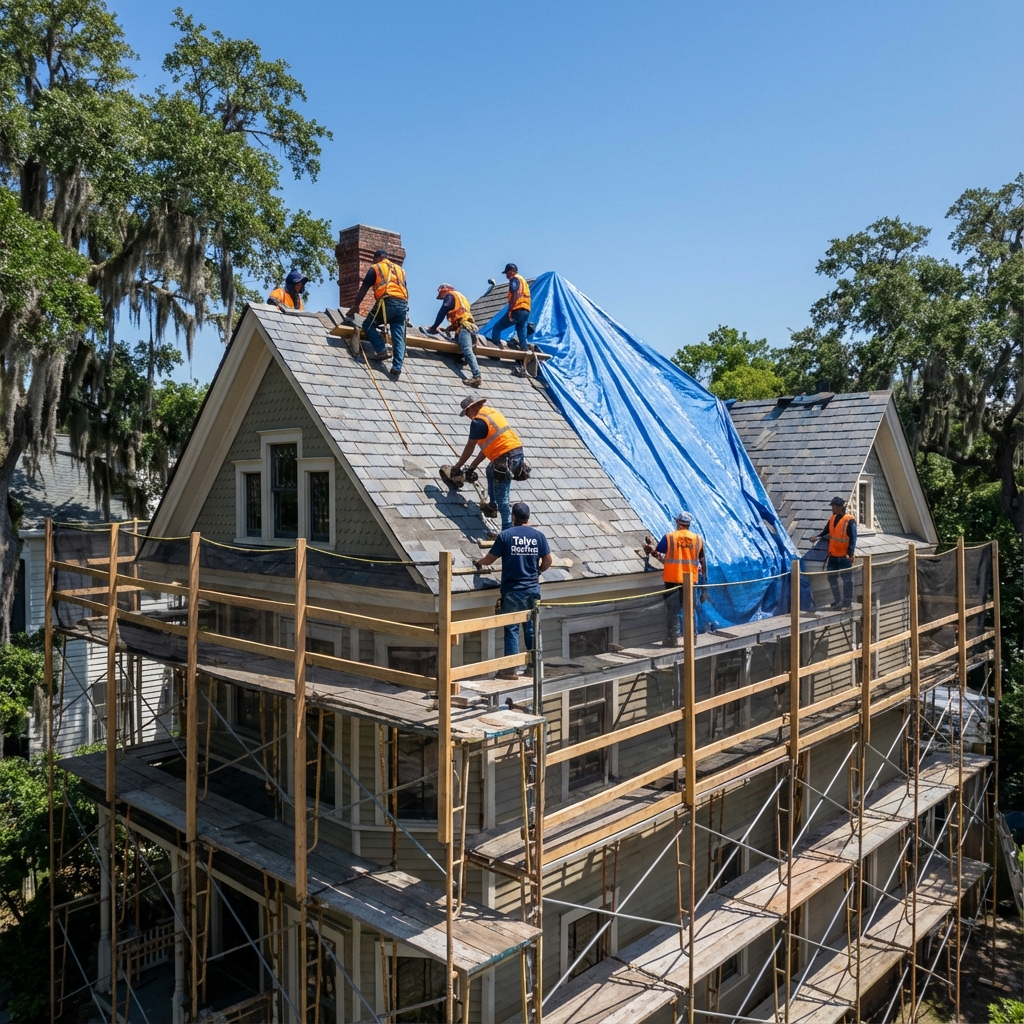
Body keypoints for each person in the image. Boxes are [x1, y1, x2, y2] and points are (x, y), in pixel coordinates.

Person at [473, 502, 552, 678]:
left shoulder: (506, 536)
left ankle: (510, 669)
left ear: (513, 517)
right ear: (528, 518)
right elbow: (548, 561)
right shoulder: (538, 536)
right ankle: (534, 667)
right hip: (532, 590)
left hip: (512, 591)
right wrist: (538, 572)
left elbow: (490, 559)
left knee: (511, 628)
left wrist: (478, 562)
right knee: (531, 628)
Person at [450, 396, 525, 532]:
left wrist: (457, 467)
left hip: (505, 458)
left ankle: (507, 533)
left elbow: (470, 447)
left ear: (471, 408)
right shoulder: (491, 414)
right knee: (490, 469)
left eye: (466, 413)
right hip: (515, 454)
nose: (467, 416)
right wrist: (472, 467)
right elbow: (487, 448)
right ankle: (492, 505)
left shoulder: (478, 422)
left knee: (503, 498)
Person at [643, 511, 708, 646]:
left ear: (678, 523)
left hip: (673, 579)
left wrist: (650, 548)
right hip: (690, 581)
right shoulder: (698, 539)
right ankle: (692, 638)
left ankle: (672, 639)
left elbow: (659, 550)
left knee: (673, 611)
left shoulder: (670, 537)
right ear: (688, 525)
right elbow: (702, 561)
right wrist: (704, 587)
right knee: (690, 611)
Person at [348, 249, 408, 379]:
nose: (373, 261)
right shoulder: (400, 270)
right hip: (402, 304)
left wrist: (355, 306)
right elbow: (404, 288)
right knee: (398, 335)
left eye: (373, 259)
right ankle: (397, 367)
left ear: (377, 258)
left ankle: (381, 350)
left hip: (387, 302)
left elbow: (364, 288)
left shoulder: (376, 268)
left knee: (368, 325)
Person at [427, 284, 483, 387]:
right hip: (469, 326)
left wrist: (434, 327)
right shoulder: (461, 297)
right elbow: (461, 316)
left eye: (441, 295)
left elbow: (443, 310)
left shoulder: (449, 295)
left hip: (464, 327)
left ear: (444, 291)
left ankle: (477, 376)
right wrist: (449, 329)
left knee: (467, 350)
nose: (442, 298)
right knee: (458, 347)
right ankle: (461, 359)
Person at [819, 495, 857, 609]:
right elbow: (826, 531)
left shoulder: (849, 521)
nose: (832, 509)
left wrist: (850, 553)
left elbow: (853, 538)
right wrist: (817, 537)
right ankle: (837, 600)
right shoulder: (832, 518)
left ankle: (847, 602)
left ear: (840, 507)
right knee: (831, 577)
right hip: (833, 555)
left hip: (844, 556)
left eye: (834, 507)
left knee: (846, 579)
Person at [489, 263, 531, 366]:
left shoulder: (515, 279)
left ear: (511, 271)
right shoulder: (523, 280)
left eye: (507, 273)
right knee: (521, 329)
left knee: (497, 327)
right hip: (526, 310)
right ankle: (524, 350)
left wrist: (511, 310)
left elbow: (516, 294)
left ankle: (495, 351)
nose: (506, 276)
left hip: (517, 309)